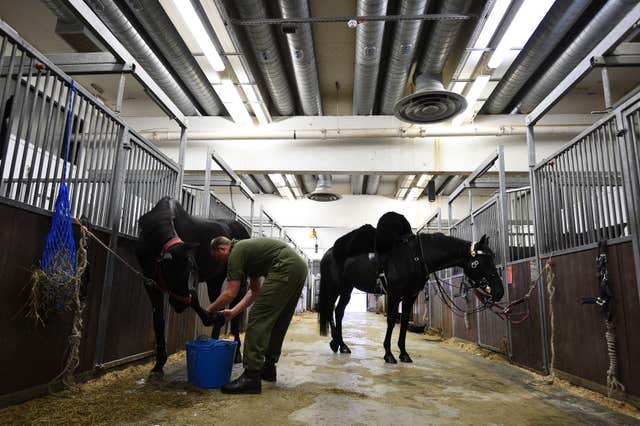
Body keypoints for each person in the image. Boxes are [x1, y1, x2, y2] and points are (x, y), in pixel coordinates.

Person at [207, 236, 308, 394]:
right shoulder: (247, 253)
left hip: (285, 266)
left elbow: (229, 293)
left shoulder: (236, 252)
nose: (220, 263)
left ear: (222, 249)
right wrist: (233, 312)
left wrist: (209, 311)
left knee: (257, 317)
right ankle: (268, 367)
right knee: (278, 319)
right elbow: (255, 291)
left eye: (218, 258)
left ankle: (251, 377)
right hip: (299, 267)